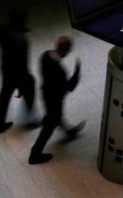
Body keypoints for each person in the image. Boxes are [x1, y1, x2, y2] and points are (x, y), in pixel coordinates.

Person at [29, 36, 85, 164]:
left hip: (45, 94)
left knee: (55, 116)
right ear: (66, 50)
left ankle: (69, 132)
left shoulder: (44, 56)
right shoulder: (59, 71)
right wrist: (77, 73)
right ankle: (35, 154)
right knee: (50, 124)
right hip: (55, 98)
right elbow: (69, 87)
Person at [0, 9, 36, 134]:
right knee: (30, 89)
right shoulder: (21, 40)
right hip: (18, 73)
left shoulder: (4, 30)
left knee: (4, 95)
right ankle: (30, 120)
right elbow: (23, 62)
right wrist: (22, 83)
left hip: (6, 69)